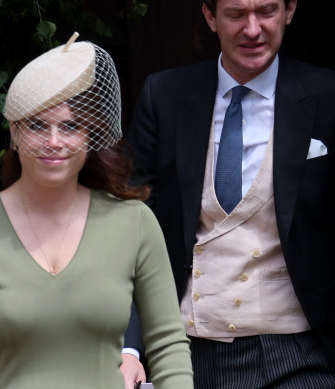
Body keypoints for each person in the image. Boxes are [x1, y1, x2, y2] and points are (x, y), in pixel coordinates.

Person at [0, 33, 193, 389]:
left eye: (70, 126)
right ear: (15, 132)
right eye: (37, 125)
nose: (54, 141)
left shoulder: (134, 223)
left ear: (89, 137)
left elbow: (168, 347)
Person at [126, 0, 335, 387]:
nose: (252, 30)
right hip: (184, 349)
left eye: (267, 11)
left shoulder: (328, 95)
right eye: (236, 14)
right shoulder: (165, 95)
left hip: (299, 351)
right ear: (210, 16)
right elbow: (130, 230)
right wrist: (130, 346)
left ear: (290, 10)